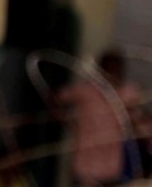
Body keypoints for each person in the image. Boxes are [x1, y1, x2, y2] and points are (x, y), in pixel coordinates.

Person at [57, 49, 150, 185]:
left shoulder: (127, 94)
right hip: (84, 167)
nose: (113, 73)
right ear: (101, 70)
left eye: (117, 68)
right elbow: (57, 97)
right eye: (109, 69)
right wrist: (67, 120)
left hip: (111, 169)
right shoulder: (86, 91)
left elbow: (140, 122)